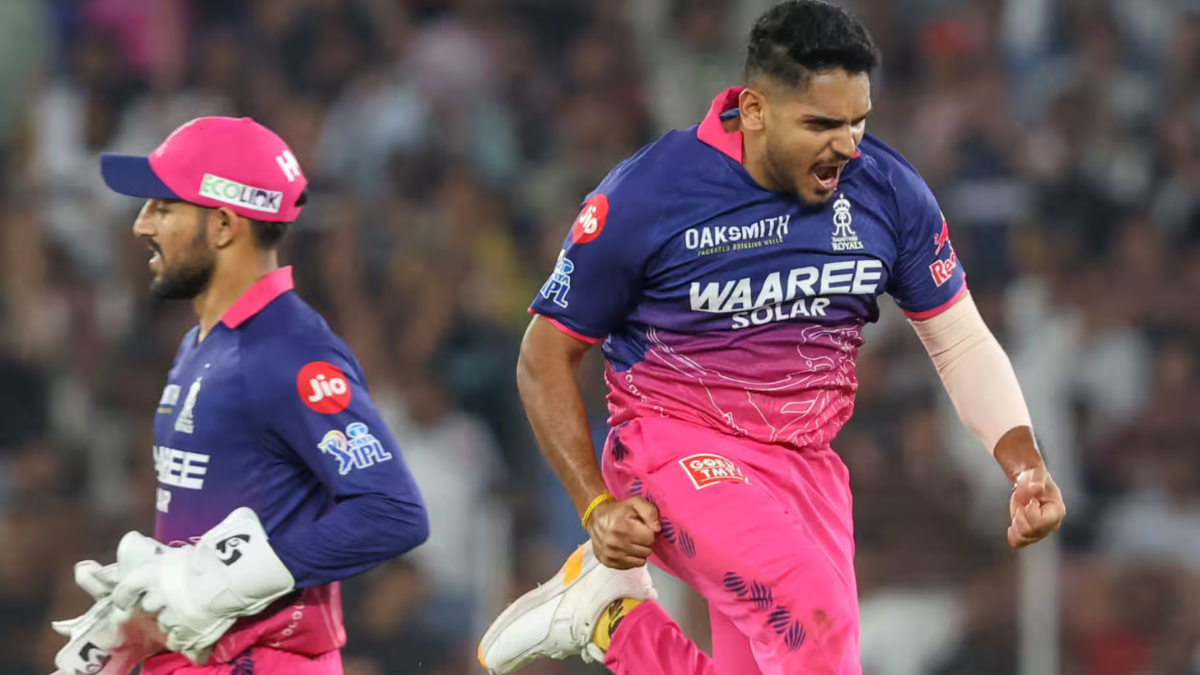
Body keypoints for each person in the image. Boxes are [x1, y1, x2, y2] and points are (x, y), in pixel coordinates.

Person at [476, 2, 1066, 674]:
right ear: (753, 110)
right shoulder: (650, 195)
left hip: (805, 466)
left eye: (857, 121)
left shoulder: (886, 188)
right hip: (677, 448)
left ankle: (610, 619)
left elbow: (957, 339)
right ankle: (619, 624)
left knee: (814, 660)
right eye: (820, 124)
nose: (845, 145)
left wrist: (1024, 464)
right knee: (819, 624)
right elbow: (543, 355)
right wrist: (596, 505)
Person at [47, 116, 430, 675]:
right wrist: (148, 616)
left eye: (163, 206)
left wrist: (223, 582)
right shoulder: (202, 346)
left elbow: (393, 512)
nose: (140, 225)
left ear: (223, 225)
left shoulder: (288, 352)